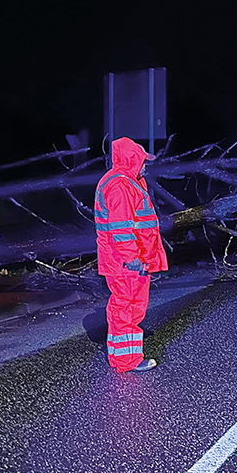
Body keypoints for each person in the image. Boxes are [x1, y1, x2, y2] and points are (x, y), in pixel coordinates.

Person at [94, 137, 168, 372]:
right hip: (125, 263)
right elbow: (121, 228)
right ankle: (126, 361)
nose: (145, 165)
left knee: (132, 306)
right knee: (125, 307)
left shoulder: (128, 182)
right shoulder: (120, 185)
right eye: (142, 160)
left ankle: (126, 356)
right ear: (131, 159)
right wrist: (132, 258)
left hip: (132, 261)